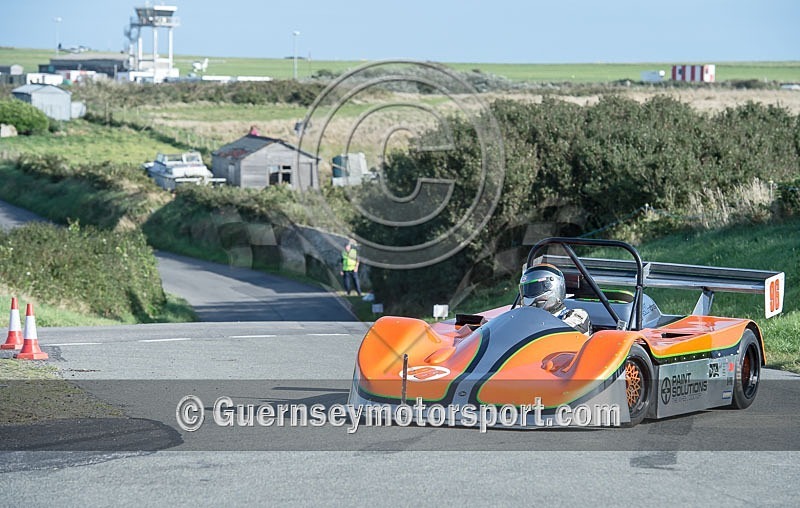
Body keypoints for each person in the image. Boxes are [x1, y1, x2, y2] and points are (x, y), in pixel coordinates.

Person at [519, 263, 591, 335]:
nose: (528, 296)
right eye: (526, 289)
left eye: (535, 288)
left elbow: (561, 334)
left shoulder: (578, 315)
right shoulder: (523, 320)